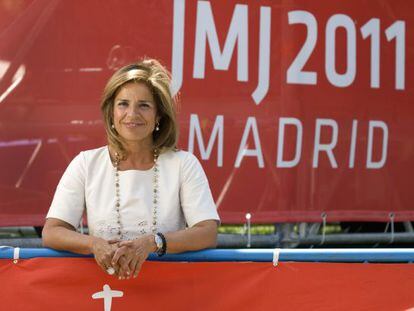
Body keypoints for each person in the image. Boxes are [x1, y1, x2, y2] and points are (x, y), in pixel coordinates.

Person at [42, 58, 220, 280]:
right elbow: (52, 231)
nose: (132, 114)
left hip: (171, 289)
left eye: (144, 105)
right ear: (111, 113)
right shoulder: (86, 163)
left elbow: (207, 232)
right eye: (123, 104)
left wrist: (153, 242)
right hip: (104, 290)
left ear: (158, 116)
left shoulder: (184, 164)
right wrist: (94, 244)